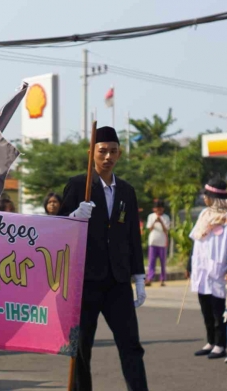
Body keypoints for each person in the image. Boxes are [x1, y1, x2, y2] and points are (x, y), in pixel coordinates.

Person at [58, 126, 148, 391]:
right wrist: (74, 216)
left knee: (131, 344)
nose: (108, 156)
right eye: (102, 151)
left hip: (118, 281)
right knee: (81, 348)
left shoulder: (127, 191)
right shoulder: (78, 185)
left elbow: (133, 236)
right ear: (91, 154)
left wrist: (139, 277)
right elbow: (57, 228)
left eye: (113, 151)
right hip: (85, 280)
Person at [186, 178, 227, 360]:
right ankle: (210, 341)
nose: (204, 198)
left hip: (219, 269)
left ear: (215, 197)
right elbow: (195, 239)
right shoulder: (204, 214)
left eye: (207, 195)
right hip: (201, 268)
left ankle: (221, 344)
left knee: (218, 310)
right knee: (205, 307)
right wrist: (189, 264)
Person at [145, 199, 170, 286]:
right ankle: (149, 278)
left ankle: (162, 280)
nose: (159, 210)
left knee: (163, 262)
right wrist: (155, 221)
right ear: (154, 209)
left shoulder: (166, 217)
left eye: (160, 209)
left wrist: (161, 222)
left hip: (162, 243)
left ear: (163, 209)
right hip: (152, 242)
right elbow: (150, 228)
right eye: (157, 209)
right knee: (151, 262)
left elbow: (166, 230)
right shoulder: (151, 216)